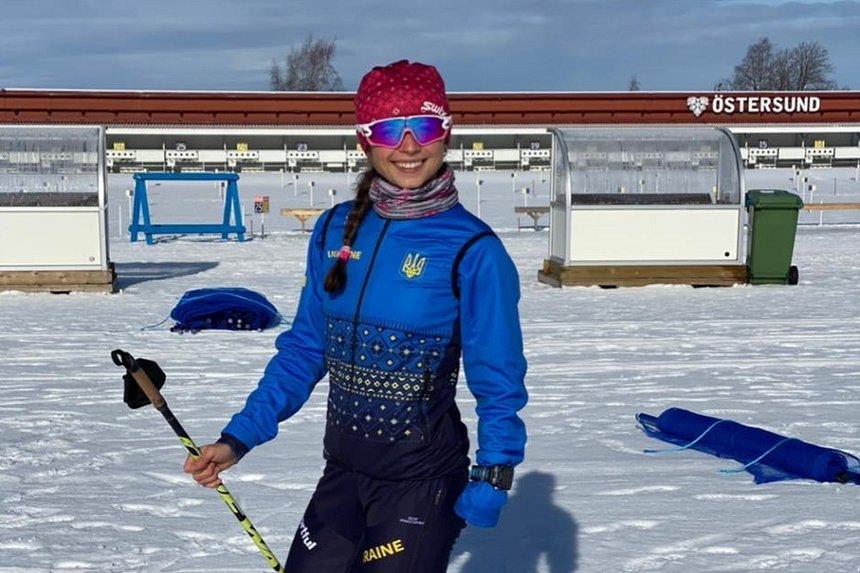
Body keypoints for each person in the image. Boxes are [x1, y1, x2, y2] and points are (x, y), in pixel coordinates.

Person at [184, 59, 528, 573]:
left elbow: (496, 377)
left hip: (422, 481)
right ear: (366, 140)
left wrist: (495, 470)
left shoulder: (473, 249)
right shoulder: (332, 230)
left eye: (426, 126)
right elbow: (304, 349)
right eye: (391, 129)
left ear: (447, 133)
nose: (409, 146)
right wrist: (239, 438)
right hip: (343, 471)